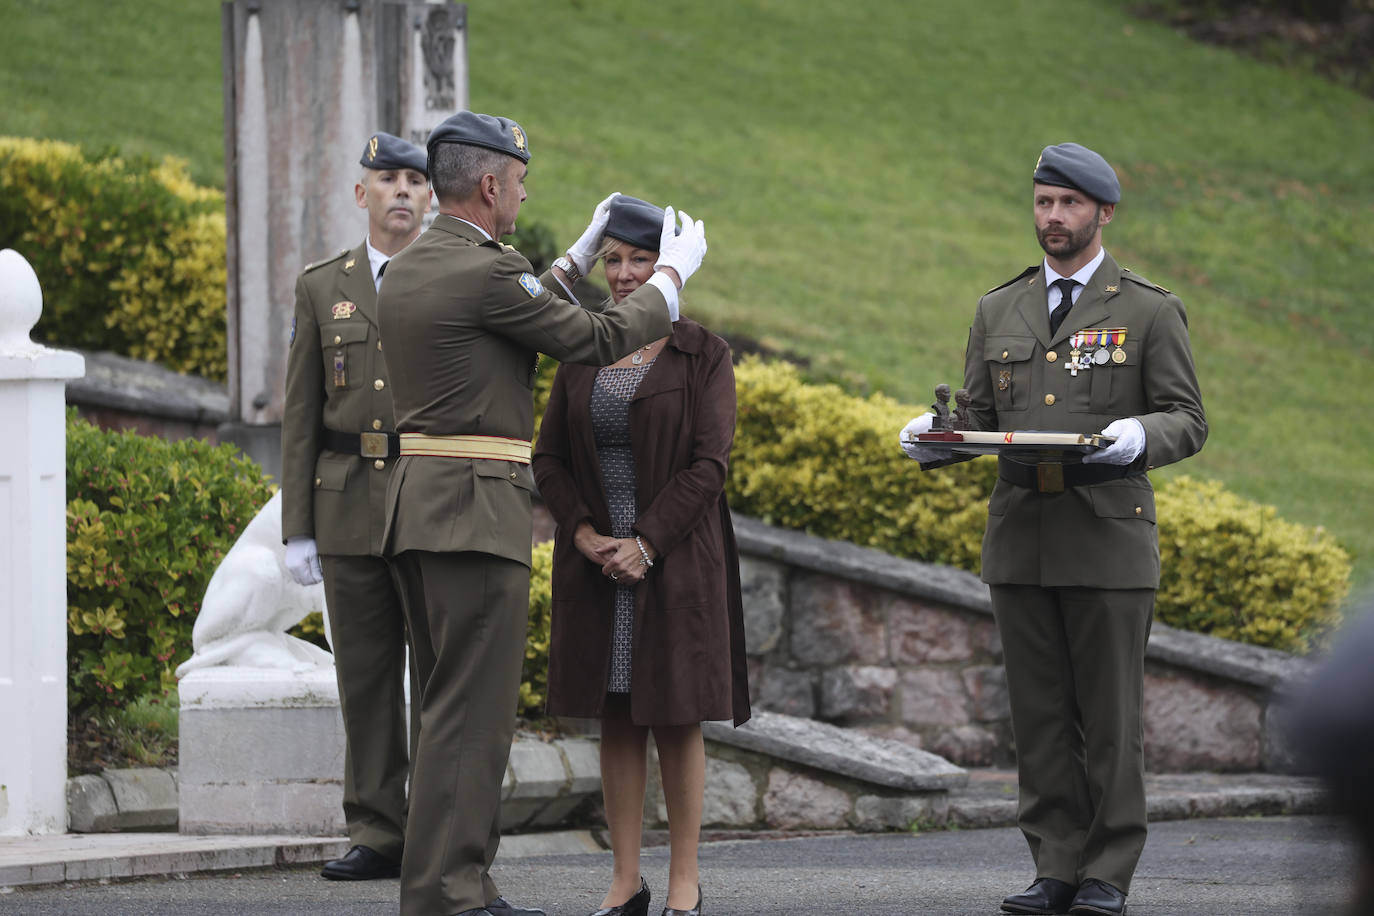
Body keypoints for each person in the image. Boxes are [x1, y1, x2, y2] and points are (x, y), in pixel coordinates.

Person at [376, 111, 708, 916]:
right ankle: (452, 895)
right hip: (470, 510)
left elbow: (512, 306)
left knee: (444, 711)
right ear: (490, 184)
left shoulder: (420, 261)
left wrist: (574, 257)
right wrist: (668, 283)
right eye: (520, 182)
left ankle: (450, 884)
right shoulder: (485, 270)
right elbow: (590, 337)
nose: (524, 195)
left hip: (416, 508)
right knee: (473, 717)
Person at [900, 142, 1207, 916]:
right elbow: (978, 417)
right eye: (1043, 203)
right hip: (1023, 535)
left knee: (1109, 720)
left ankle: (1108, 871)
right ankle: (1056, 866)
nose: (1054, 218)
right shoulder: (997, 309)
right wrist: (933, 435)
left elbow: (1188, 418)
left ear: (1103, 213)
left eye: (1069, 205)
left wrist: (1140, 436)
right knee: (1037, 719)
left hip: (1106, 535)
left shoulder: (1146, 309)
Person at [532, 196, 750, 916]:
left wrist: (648, 542)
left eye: (642, 260)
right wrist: (586, 533)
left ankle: (684, 879)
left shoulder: (703, 353)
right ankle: (625, 878)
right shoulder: (585, 345)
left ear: (672, 268)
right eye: (615, 260)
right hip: (597, 562)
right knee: (616, 712)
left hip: (675, 558)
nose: (625, 274)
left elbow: (709, 466)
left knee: (676, 716)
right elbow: (550, 457)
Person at [280, 131, 430, 882]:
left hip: (431, 494)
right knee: (367, 676)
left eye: (414, 179)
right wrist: (296, 529)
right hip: (346, 501)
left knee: (438, 675)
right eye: (388, 178)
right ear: (360, 192)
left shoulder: (452, 276)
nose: (402, 190)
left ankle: (437, 831)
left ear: (432, 196)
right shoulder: (322, 285)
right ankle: (376, 830)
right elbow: (302, 411)